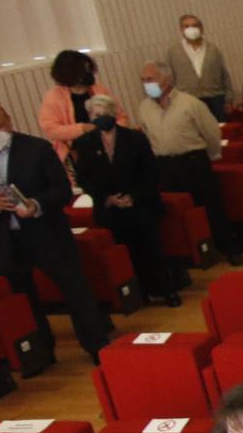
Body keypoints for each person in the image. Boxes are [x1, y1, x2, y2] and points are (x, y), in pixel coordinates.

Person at [0, 104, 112, 360]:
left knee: (75, 288)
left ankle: (97, 346)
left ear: (9, 121)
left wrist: (37, 204)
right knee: (20, 299)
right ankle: (39, 354)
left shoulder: (37, 148)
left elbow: (62, 189)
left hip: (46, 233)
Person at [71, 93, 178, 307]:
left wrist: (133, 196)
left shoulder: (134, 138)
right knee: (124, 255)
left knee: (151, 251)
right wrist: (107, 199)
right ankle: (138, 295)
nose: (100, 117)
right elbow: (84, 177)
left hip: (141, 205)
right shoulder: (84, 143)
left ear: (113, 114)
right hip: (110, 209)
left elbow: (151, 173)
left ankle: (166, 291)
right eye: (95, 114)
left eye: (104, 113)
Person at [132, 61, 242, 265]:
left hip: (193, 161)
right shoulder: (144, 107)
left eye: (150, 79)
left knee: (211, 207)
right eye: (143, 80)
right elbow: (147, 135)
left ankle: (229, 248)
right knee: (177, 211)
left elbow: (211, 133)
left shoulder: (190, 103)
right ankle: (194, 254)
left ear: (166, 79)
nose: (146, 84)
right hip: (165, 164)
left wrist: (210, 155)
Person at [38, 49, 125, 164]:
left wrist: (113, 131)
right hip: (76, 153)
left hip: (108, 148)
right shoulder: (53, 97)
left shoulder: (99, 90)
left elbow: (121, 117)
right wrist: (82, 128)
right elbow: (51, 129)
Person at [166, 14, 232, 121]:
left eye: (194, 25)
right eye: (187, 26)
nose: (191, 29)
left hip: (215, 99)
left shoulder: (213, 49)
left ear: (201, 28)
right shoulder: (173, 52)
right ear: (181, 30)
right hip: (188, 101)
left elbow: (224, 75)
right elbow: (170, 79)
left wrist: (228, 98)